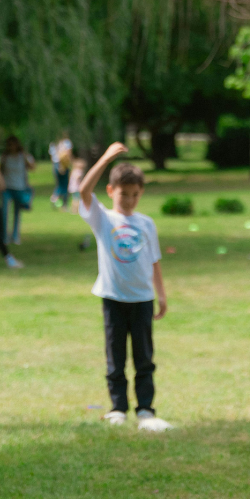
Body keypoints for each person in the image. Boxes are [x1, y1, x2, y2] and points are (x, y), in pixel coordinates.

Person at [78, 143, 172, 432]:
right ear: (111, 191)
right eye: (123, 194)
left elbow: (154, 260)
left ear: (141, 193)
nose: (129, 200)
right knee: (115, 356)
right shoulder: (103, 219)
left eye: (135, 194)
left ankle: (145, 408)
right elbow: (83, 191)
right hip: (113, 298)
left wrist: (161, 294)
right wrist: (105, 158)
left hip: (142, 298)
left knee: (144, 357)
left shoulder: (146, 223)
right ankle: (118, 407)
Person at [1, 135, 35, 245]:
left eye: (13, 144)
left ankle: (15, 236)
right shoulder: (5, 157)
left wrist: (25, 155)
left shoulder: (22, 156)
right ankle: (5, 237)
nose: (11, 147)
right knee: (5, 212)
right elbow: (0, 170)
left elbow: (32, 167)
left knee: (17, 212)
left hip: (19, 187)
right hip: (7, 187)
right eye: (9, 145)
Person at [49, 132, 74, 209]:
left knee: (59, 184)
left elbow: (51, 157)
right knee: (66, 185)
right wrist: (71, 164)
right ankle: (64, 205)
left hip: (55, 165)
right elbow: (68, 154)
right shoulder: (66, 143)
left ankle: (54, 197)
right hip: (64, 164)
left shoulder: (53, 144)